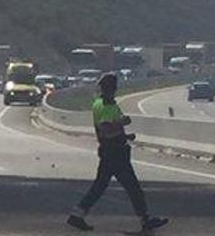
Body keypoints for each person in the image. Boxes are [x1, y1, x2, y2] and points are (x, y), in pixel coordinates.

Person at [67, 73, 168, 232]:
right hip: (115, 152)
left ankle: (77, 214)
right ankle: (145, 219)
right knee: (133, 187)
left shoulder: (99, 103)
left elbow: (106, 130)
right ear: (112, 88)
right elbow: (106, 129)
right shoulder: (106, 104)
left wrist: (125, 135)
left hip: (109, 150)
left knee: (100, 186)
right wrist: (123, 122)